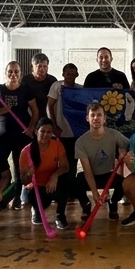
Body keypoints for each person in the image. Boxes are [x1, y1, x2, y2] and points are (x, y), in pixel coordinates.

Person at [0, 61, 40, 211]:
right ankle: (1, 196)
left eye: (16, 71)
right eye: (10, 71)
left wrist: (31, 127)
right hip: (3, 132)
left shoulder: (26, 89)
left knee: (19, 166)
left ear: (20, 74)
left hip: (21, 132)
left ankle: (17, 197)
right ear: (5, 72)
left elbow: (35, 111)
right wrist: (4, 110)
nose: (13, 74)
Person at [74, 103, 130, 222]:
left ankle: (113, 203)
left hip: (108, 174)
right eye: (92, 115)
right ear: (87, 118)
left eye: (99, 115)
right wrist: (95, 194)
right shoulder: (81, 142)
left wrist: (124, 151)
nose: (96, 118)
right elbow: (87, 171)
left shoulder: (114, 134)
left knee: (124, 183)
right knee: (76, 182)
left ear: (104, 118)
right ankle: (86, 206)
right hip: (90, 175)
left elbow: (130, 144)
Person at [19, 118, 70, 229]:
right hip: (35, 187)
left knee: (66, 180)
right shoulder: (26, 151)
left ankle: (60, 215)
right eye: (42, 131)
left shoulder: (57, 145)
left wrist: (55, 176)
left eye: (49, 132)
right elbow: (23, 180)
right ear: (36, 131)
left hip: (51, 184)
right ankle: (37, 210)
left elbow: (65, 166)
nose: (45, 135)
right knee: (30, 196)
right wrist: (28, 174)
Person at [47, 63, 82, 202]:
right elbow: (49, 106)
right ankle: (57, 191)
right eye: (68, 74)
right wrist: (54, 125)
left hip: (75, 133)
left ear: (77, 75)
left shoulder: (81, 89)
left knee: (72, 163)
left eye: (73, 74)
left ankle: (70, 192)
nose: (70, 77)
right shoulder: (57, 86)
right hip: (59, 132)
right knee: (57, 163)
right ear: (63, 74)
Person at [22, 53, 58, 124]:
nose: (42, 69)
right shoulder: (24, 81)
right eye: (39, 66)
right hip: (28, 118)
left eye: (45, 66)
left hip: (47, 118)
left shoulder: (52, 81)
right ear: (32, 66)